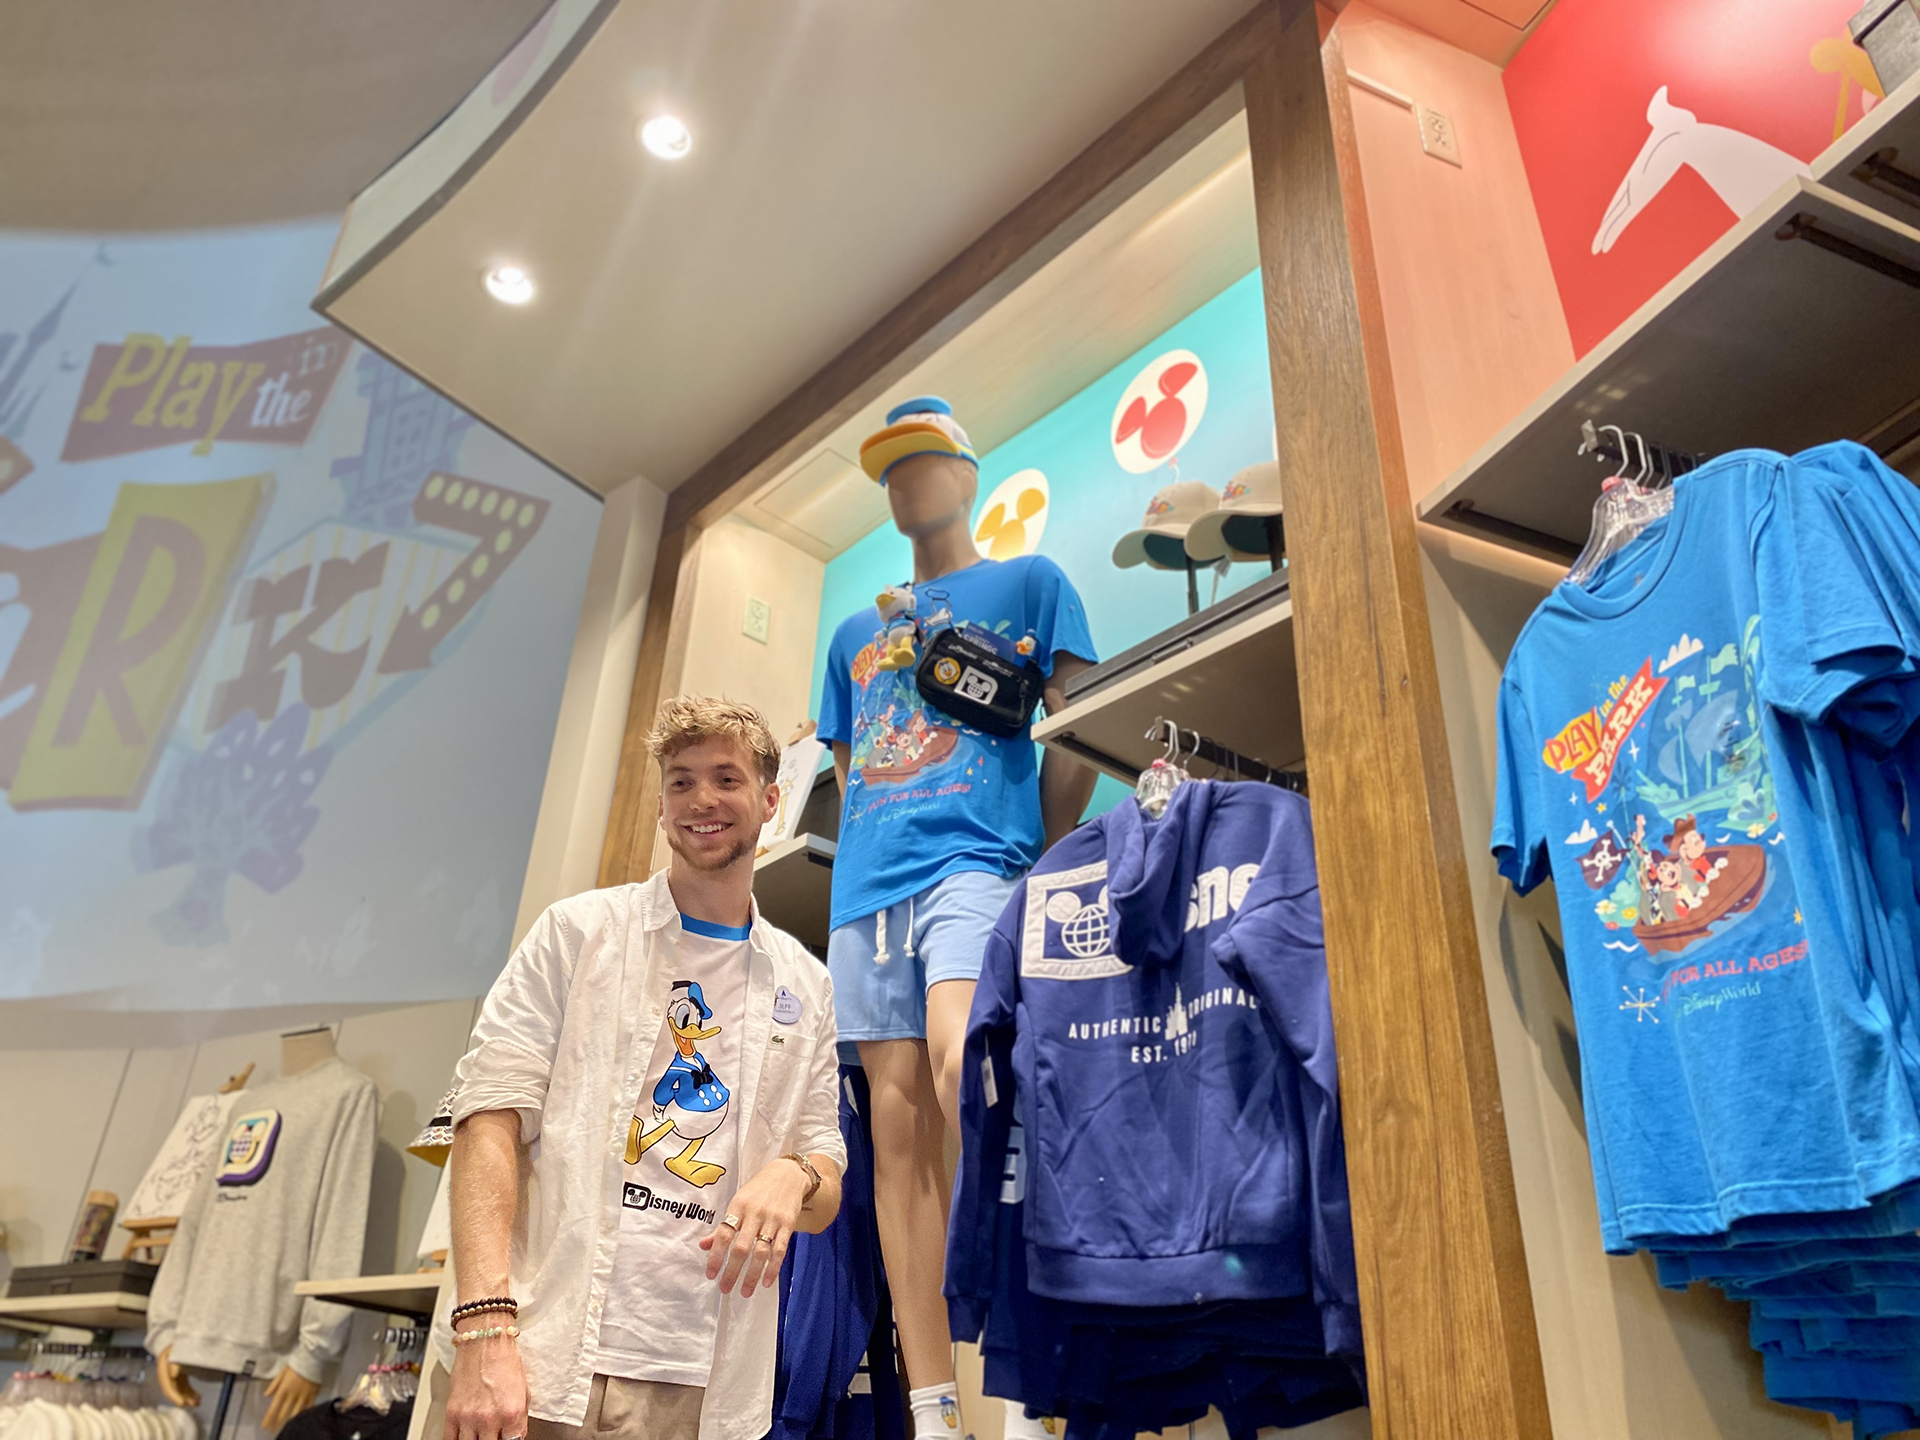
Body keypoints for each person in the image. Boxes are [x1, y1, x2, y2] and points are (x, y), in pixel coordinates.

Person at [440, 697, 847, 1440]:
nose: (702, 800)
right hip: (534, 1356)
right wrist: (483, 1328)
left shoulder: (805, 983)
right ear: (661, 806)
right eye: (681, 782)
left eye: (725, 778)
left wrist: (795, 1174)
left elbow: (826, 1183)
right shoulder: (576, 933)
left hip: (703, 1388)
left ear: (770, 799)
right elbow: (486, 1120)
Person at [816, 397, 1097, 1440]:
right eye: (888, 468)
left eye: (923, 460)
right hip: (868, 889)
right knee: (894, 1132)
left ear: (970, 474)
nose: (904, 483)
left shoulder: (1033, 582)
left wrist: (1035, 849)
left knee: (962, 1068)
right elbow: (850, 772)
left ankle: (1027, 1363)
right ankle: (935, 1406)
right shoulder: (855, 630)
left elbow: (1078, 723)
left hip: (980, 862)